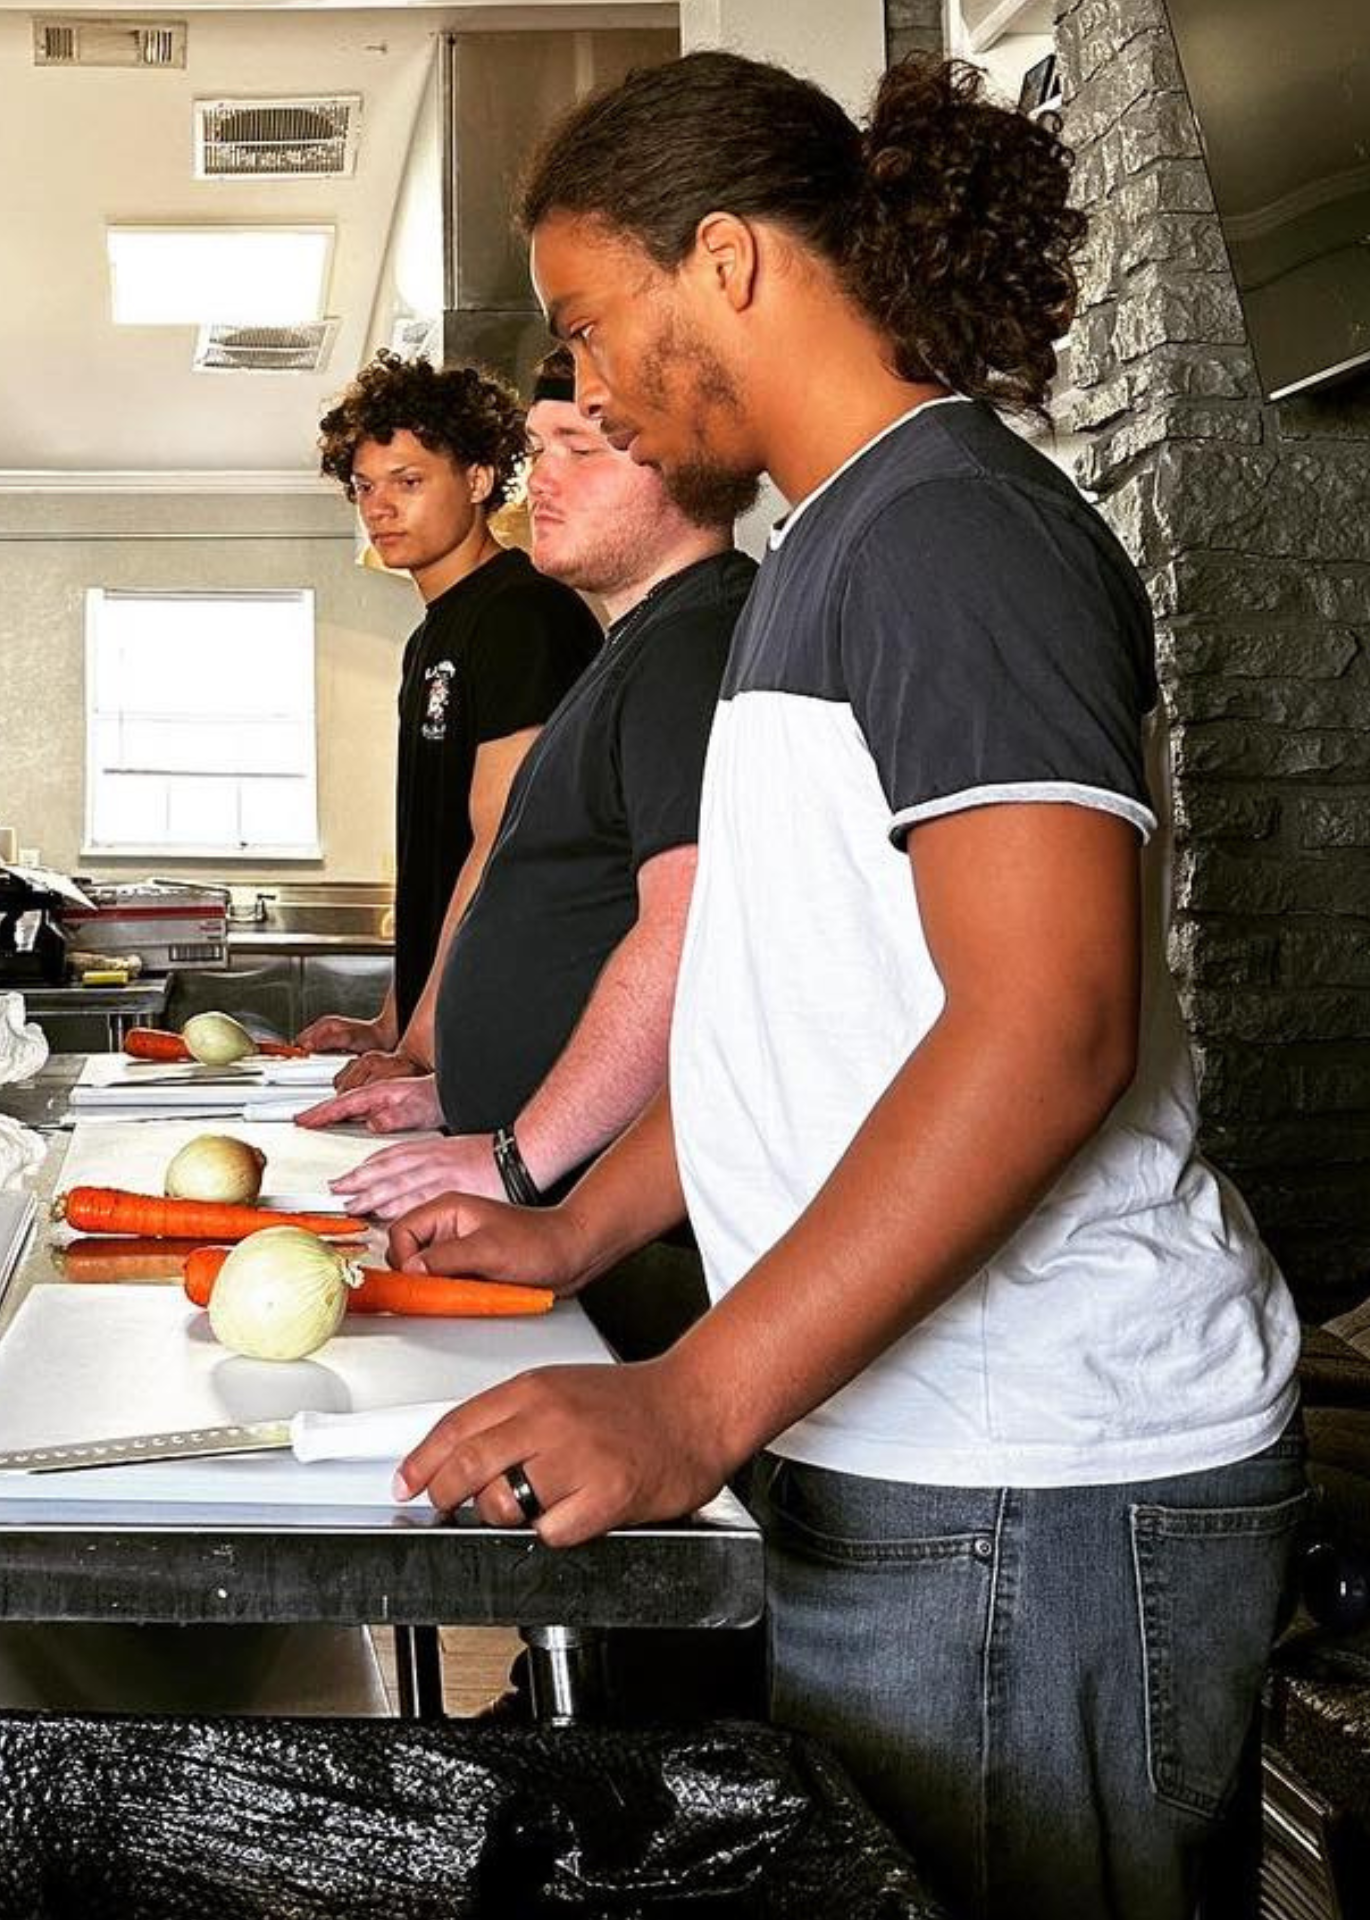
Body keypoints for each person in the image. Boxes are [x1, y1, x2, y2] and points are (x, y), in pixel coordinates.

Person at [387, 53, 1303, 1918]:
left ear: (722, 262)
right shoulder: (829, 553)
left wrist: (689, 1401)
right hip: (914, 1451)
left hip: (1038, 1473)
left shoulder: (951, 535)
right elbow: (785, 1022)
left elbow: (1046, 1028)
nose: (582, 392)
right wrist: (569, 1229)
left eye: (587, 326)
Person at [301, 347, 756, 1300]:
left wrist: (514, 1157)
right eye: (539, 449)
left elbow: (686, 935)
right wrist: (449, 1082)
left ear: (676, 456)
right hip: (538, 1177)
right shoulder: (632, 648)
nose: (539, 479)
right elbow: (549, 906)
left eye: (581, 448)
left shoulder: (689, 645)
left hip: (602, 1210)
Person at [295, 352, 601, 1083]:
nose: (378, 507)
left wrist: (420, 1047)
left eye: (408, 482)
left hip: (507, 1034)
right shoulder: (431, 638)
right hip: (451, 1031)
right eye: (365, 486)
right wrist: (391, 1023)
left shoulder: (525, 616)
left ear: (478, 480)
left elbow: (499, 849)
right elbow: (437, 857)